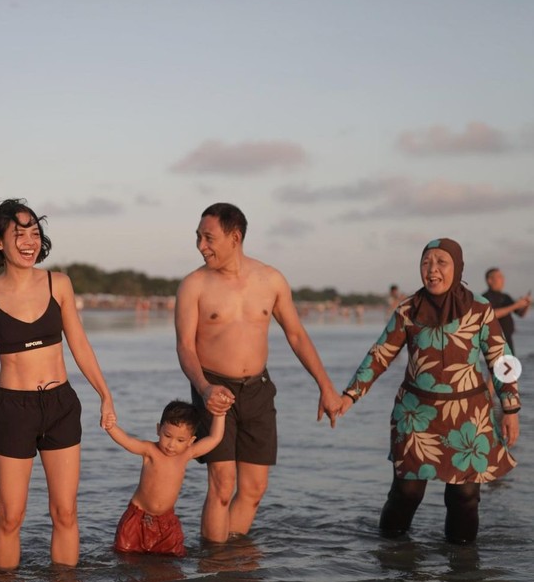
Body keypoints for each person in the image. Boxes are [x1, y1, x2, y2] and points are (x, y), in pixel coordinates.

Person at [175, 202, 341, 543]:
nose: (201, 246)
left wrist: (325, 386)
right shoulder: (194, 285)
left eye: (208, 238)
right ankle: (214, 563)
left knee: (254, 488)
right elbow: (185, 347)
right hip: (214, 390)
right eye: (198, 238)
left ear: (235, 237)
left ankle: (230, 559)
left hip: (258, 389)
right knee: (222, 485)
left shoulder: (271, 279)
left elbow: (296, 335)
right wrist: (204, 388)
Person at [340, 238, 520, 544]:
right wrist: (350, 395)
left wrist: (511, 408)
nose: (432, 270)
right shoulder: (408, 310)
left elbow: (501, 359)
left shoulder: (480, 309)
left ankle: (462, 574)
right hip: (415, 414)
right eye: (426, 262)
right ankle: (390, 555)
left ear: (457, 267)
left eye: (441, 262)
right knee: (407, 492)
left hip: (469, 416)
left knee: (464, 497)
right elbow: (381, 354)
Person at [0, 198, 115, 570]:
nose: (30, 241)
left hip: (61, 404)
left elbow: (79, 344)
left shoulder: (59, 283)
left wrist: (105, 395)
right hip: (11, 410)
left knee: (65, 512)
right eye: (19, 234)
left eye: (35, 233)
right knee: (10, 517)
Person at [105, 400, 226, 556]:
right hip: (137, 517)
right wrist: (110, 426)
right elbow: (127, 442)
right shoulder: (150, 450)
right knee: (125, 556)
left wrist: (220, 414)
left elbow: (215, 438)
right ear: (158, 429)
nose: (171, 445)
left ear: (191, 441)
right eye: (167, 435)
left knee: (172, 561)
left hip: (166, 521)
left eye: (180, 440)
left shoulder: (186, 454)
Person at [482, 267, 531, 355]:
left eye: (503, 277)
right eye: (499, 277)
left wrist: (526, 305)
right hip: (494, 341)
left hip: (508, 338)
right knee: (498, 367)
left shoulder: (505, 297)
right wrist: (516, 305)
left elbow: (520, 314)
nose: (503, 280)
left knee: (512, 365)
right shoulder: (485, 298)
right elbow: (491, 314)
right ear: (490, 280)